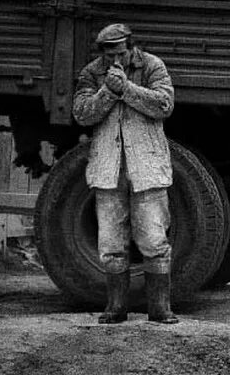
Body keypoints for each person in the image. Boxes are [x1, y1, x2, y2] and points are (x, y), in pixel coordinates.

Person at [72, 23, 178, 325]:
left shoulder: (153, 65)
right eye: (108, 54)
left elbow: (164, 105)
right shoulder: (92, 72)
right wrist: (108, 90)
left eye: (119, 52)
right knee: (110, 243)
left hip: (146, 167)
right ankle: (116, 308)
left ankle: (160, 309)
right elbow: (82, 113)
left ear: (131, 47)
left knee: (153, 239)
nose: (114, 60)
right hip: (108, 168)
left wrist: (127, 89)